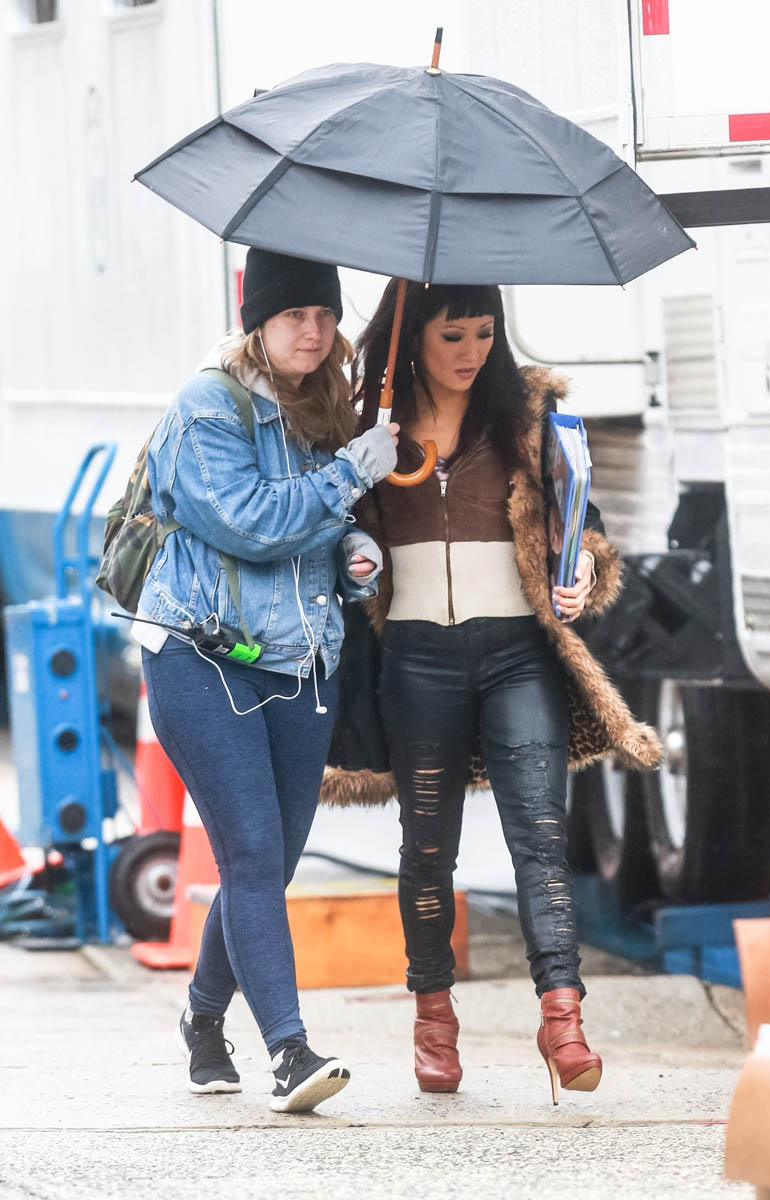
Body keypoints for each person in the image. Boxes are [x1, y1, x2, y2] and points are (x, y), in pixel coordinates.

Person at [323, 279, 661, 1104]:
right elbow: (334, 532)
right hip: (416, 660)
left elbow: (584, 526)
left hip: (518, 656)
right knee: (426, 850)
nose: (472, 352)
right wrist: (354, 545)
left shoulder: (530, 417)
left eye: (484, 332)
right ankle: (433, 1019)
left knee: (541, 840)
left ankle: (563, 1018)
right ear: (414, 337)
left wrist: (582, 570)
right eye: (453, 336)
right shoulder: (370, 426)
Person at [134, 249, 398, 1113]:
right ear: (258, 321)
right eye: (293, 315)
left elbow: (318, 534)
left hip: (300, 662)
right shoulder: (207, 407)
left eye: (324, 314)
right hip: (201, 655)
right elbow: (250, 525)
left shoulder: (323, 406)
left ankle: (203, 1019)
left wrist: (356, 555)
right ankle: (289, 1049)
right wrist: (351, 473)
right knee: (250, 851)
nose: (313, 332)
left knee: (270, 865)